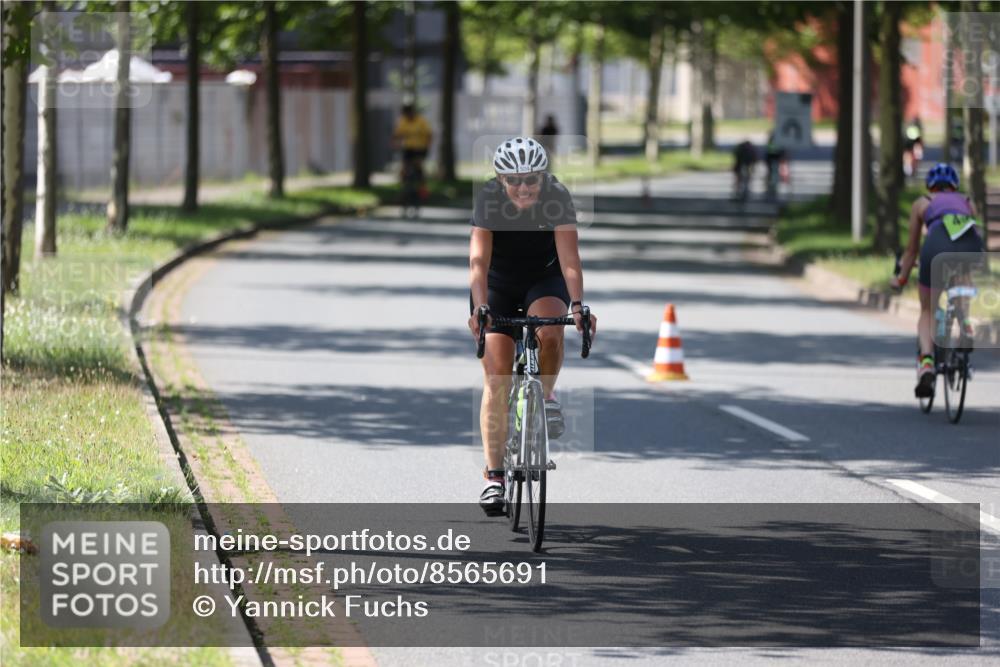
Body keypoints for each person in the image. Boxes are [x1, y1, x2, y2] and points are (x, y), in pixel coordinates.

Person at [468, 137, 597, 515]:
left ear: (543, 179)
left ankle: (547, 395)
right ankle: (495, 477)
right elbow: (478, 262)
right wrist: (480, 309)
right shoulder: (488, 200)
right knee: (496, 376)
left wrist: (577, 306)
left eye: (531, 180)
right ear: (500, 181)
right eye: (514, 181)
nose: (523, 188)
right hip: (498, 283)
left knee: (551, 331)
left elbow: (570, 260)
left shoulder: (557, 196)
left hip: (544, 277)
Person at [890, 163, 986, 398]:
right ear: (954, 185)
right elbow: (973, 232)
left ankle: (927, 364)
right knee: (962, 285)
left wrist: (901, 278)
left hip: (937, 245)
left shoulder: (922, 203)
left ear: (930, 187)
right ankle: (964, 324)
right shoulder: (967, 201)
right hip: (969, 245)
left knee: (928, 311)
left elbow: (912, 250)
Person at [391, 103, 433, 195]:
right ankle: (403, 188)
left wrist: (428, 145)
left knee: (418, 165)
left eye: (409, 113)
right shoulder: (403, 121)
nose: (408, 116)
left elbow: (429, 134)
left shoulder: (421, 121)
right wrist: (395, 143)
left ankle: (423, 188)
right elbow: (397, 134)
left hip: (421, 148)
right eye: (406, 114)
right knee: (404, 167)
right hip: (408, 148)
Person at [764, 133, 787, 200]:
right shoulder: (777, 138)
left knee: (772, 172)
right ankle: (769, 185)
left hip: (773, 157)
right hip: (773, 157)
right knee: (771, 172)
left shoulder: (772, 139)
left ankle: (770, 185)